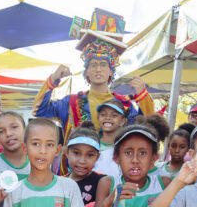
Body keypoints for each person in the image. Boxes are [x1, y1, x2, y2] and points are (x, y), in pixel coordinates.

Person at [32, 27, 154, 155]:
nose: (98, 69)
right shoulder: (71, 102)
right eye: (94, 64)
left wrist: (143, 96)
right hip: (76, 166)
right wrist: (53, 80)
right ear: (87, 72)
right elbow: (39, 110)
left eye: (103, 64)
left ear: (111, 71)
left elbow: (148, 129)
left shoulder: (124, 104)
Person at [94, 99, 127, 182]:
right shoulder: (93, 145)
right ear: (98, 118)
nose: (108, 118)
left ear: (122, 121)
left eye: (114, 115)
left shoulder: (127, 147)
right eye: (103, 114)